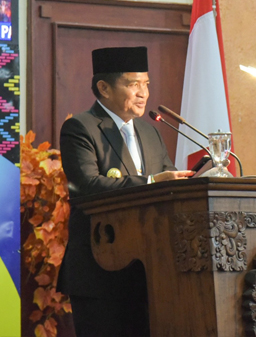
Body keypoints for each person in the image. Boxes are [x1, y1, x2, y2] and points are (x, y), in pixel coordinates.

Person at [57, 47, 193, 336]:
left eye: (146, 84)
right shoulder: (80, 128)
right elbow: (87, 187)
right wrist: (152, 183)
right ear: (104, 88)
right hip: (99, 271)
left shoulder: (150, 132)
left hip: (149, 273)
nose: (143, 93)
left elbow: (167, 185)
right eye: (133, 85)